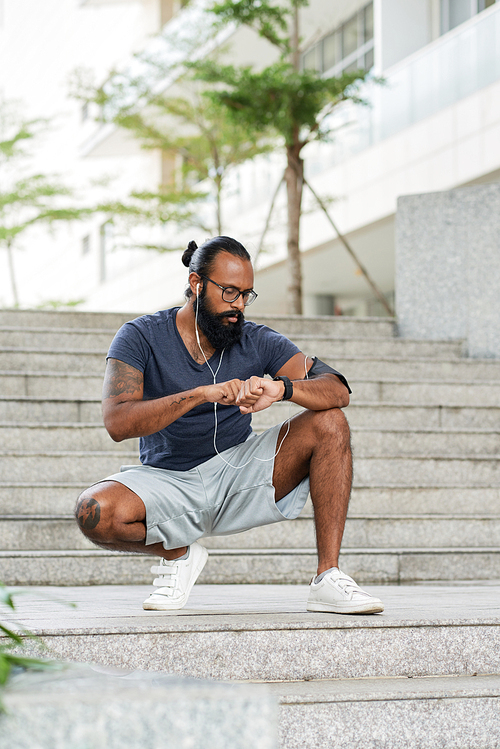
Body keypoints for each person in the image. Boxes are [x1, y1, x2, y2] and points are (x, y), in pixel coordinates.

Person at [75, 236, 384, 615]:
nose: (238, 306)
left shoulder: (256, 339)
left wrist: (281, 389)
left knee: (331, 422)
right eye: (229, 292)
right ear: (196, 284)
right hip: (168, 481)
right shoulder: (140, 336)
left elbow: (337, 389)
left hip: (240, 473)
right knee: (93, 511)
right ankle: (179, 552)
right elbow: (117, 422)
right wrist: (201, 394)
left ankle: (328, 577)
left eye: (246, 295)